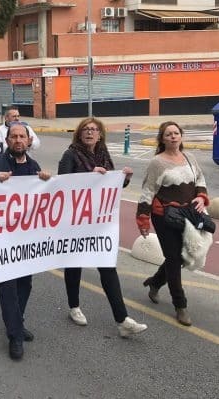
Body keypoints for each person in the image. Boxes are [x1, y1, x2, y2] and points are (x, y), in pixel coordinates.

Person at [57, 118, 148, 337]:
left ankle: (122, 319)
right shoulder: (70, 155)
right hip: (76, 222)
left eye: (94, 130)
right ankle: (74, 306)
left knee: (107, 266)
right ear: (79, 134)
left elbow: (112, 186)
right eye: (86, 129)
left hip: (99, 223)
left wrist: (124, 179)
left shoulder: (103, 154)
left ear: (100, 135)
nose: (90, 132)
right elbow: (61, 185)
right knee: (74, 264)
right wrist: (88, 177)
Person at [0, 122, 51, 360]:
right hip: (1, 239)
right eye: (14, 137)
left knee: (25, 284)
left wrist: (45, 182)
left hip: (25, 241)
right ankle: (15, 336)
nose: (18, 140)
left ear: (29, 141)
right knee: (8, 287)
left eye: (23, 137)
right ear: (7, 140)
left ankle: (17, 323)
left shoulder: (34, 167)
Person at [137, 121, 209, 326]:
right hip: (164, 216)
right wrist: (143, 219)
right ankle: (180, 305)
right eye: (168, 134)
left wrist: (202, 198)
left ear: (181, 136)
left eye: (176, 133)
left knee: (181, 258)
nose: (173, 137)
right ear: (162, 139)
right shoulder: (157, 163)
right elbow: (147, 191)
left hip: (188, 214)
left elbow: (200, 180)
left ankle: (155, 282)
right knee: (173, 257)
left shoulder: (190, 158)